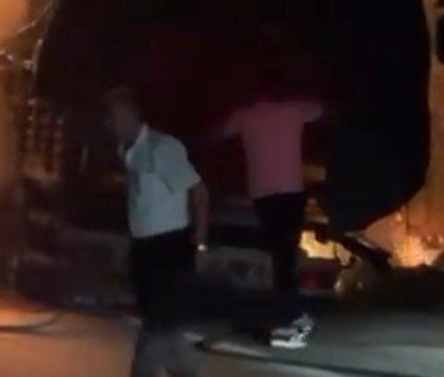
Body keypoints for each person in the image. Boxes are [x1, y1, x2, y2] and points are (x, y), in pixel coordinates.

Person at [107, 85, 209, 377]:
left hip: (169, 249)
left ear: (128, 115)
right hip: (145, 250)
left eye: (113, 116)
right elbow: (140, 202)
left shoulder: (163, 148)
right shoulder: (128, 151)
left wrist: (199, 244)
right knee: (162, 330)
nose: (109, 124)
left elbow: (199, 192)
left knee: (159, 329)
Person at [216, 95, 326, 349]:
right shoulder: (294, 108)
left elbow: (220, 133)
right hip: (291, 193)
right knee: (286, 255)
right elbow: (323, 111)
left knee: (280, 254)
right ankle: (289, 312)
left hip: (264, 195)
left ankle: (288, 312)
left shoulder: (245, 115)